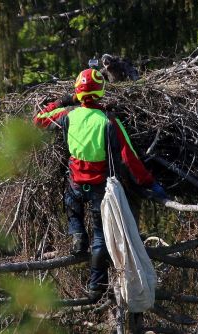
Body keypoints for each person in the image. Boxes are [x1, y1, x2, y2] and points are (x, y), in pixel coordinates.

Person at [33, 68, 165, 300]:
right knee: (100, 237)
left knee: (73, 212)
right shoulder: (109, 121)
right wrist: (149, 183)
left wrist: (65, 100)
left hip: (74, 186)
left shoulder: (68, 115)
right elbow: (129, 157)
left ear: (78, 92)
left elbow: (39, 120)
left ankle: (76, 236)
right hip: (99, 190)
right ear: (101, 93)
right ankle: (96, 286)